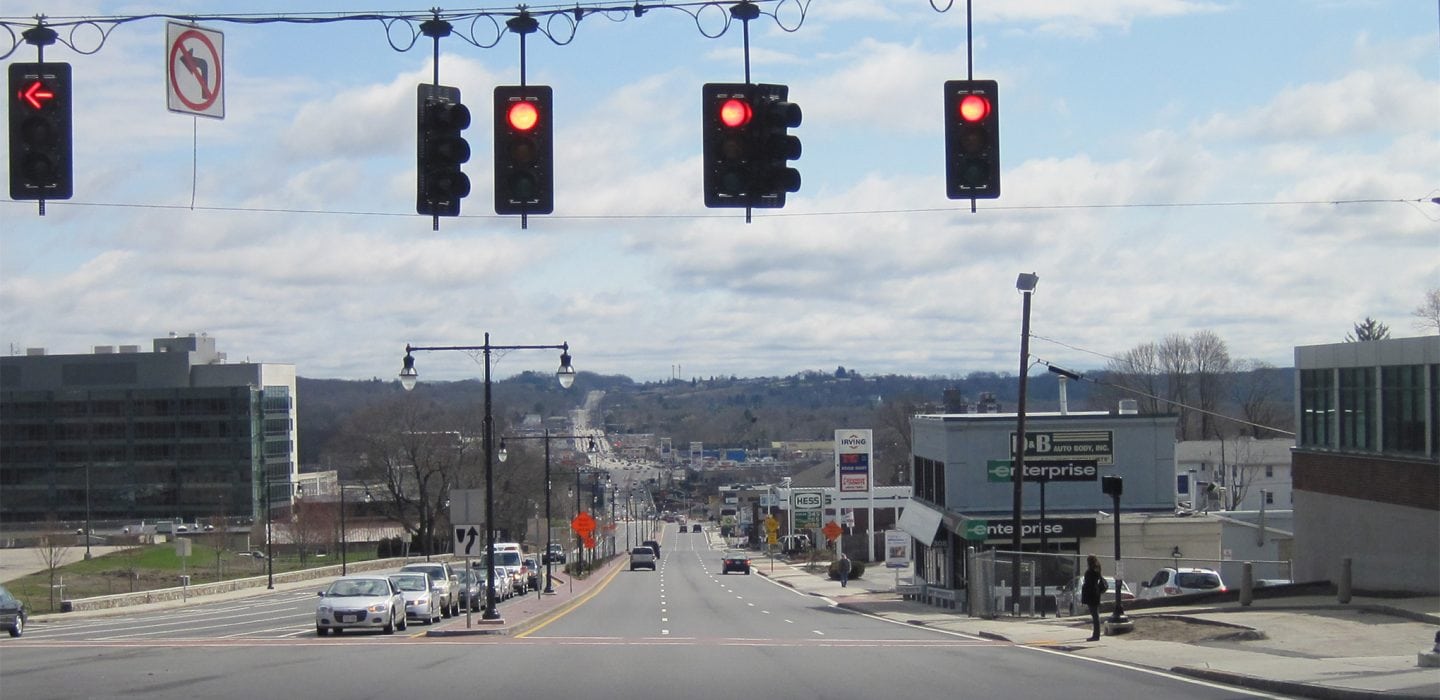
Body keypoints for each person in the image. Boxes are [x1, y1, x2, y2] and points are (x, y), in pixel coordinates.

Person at [1080, 554, 1106, 641]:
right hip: (1095, 593)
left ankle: (1096, 635)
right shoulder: (1097, 569)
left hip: (1092, 594)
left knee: (1095, 615)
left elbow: (1089, 584)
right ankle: (1096, 634)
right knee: (1095, 614)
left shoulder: (1091, 571)